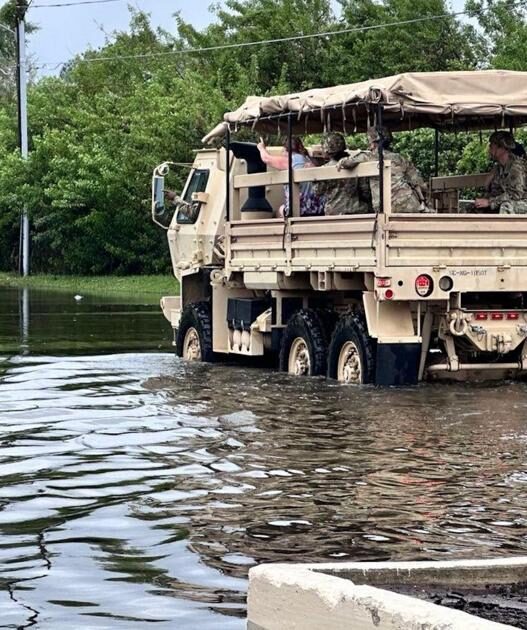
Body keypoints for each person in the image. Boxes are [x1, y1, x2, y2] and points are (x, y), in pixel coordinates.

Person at [337, 126, 430, 213]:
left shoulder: (367, 157)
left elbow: (346, 163)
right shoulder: (400, 158)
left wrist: (342, 160)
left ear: (373, 142)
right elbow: (419, 183)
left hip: (384, 207)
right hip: (409, 203)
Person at [257, 136, 324, 217]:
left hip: (300, 209)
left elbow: (266, 159)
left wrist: (261, 148)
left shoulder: (291, 160)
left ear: (286, 150)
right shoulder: (308, 160)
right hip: (317, 208)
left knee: (278, 212)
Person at [314, 132, 371, 215]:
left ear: (326, 150)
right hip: (356, 211)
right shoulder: (356, 165)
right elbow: (365, 192)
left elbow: (318, 192)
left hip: (333, 212)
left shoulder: (324, 169)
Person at [474, 131, 527, 214]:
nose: (490, 147)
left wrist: (490, 202)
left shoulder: (516, 167)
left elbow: (515, 195)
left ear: (502, 147)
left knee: (506, 207)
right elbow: (495, 191)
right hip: (512, 200)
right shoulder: (499, 167)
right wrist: (484, 201)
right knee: (475, 208)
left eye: (492, 145)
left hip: (522, 201)